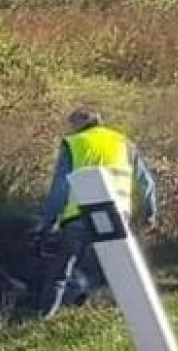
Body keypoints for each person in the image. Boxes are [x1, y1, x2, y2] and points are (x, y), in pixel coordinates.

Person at [35, 109, 159, 319]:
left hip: (79, 215)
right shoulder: (124, 143)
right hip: (116, 214)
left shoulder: (74, 143)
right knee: (117, 267)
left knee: (61, 269)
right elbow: (146, 183)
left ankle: (45, 315)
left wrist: (47, 222)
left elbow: (60, 188)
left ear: (77, 124)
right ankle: (127, 313)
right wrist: (150, 213)